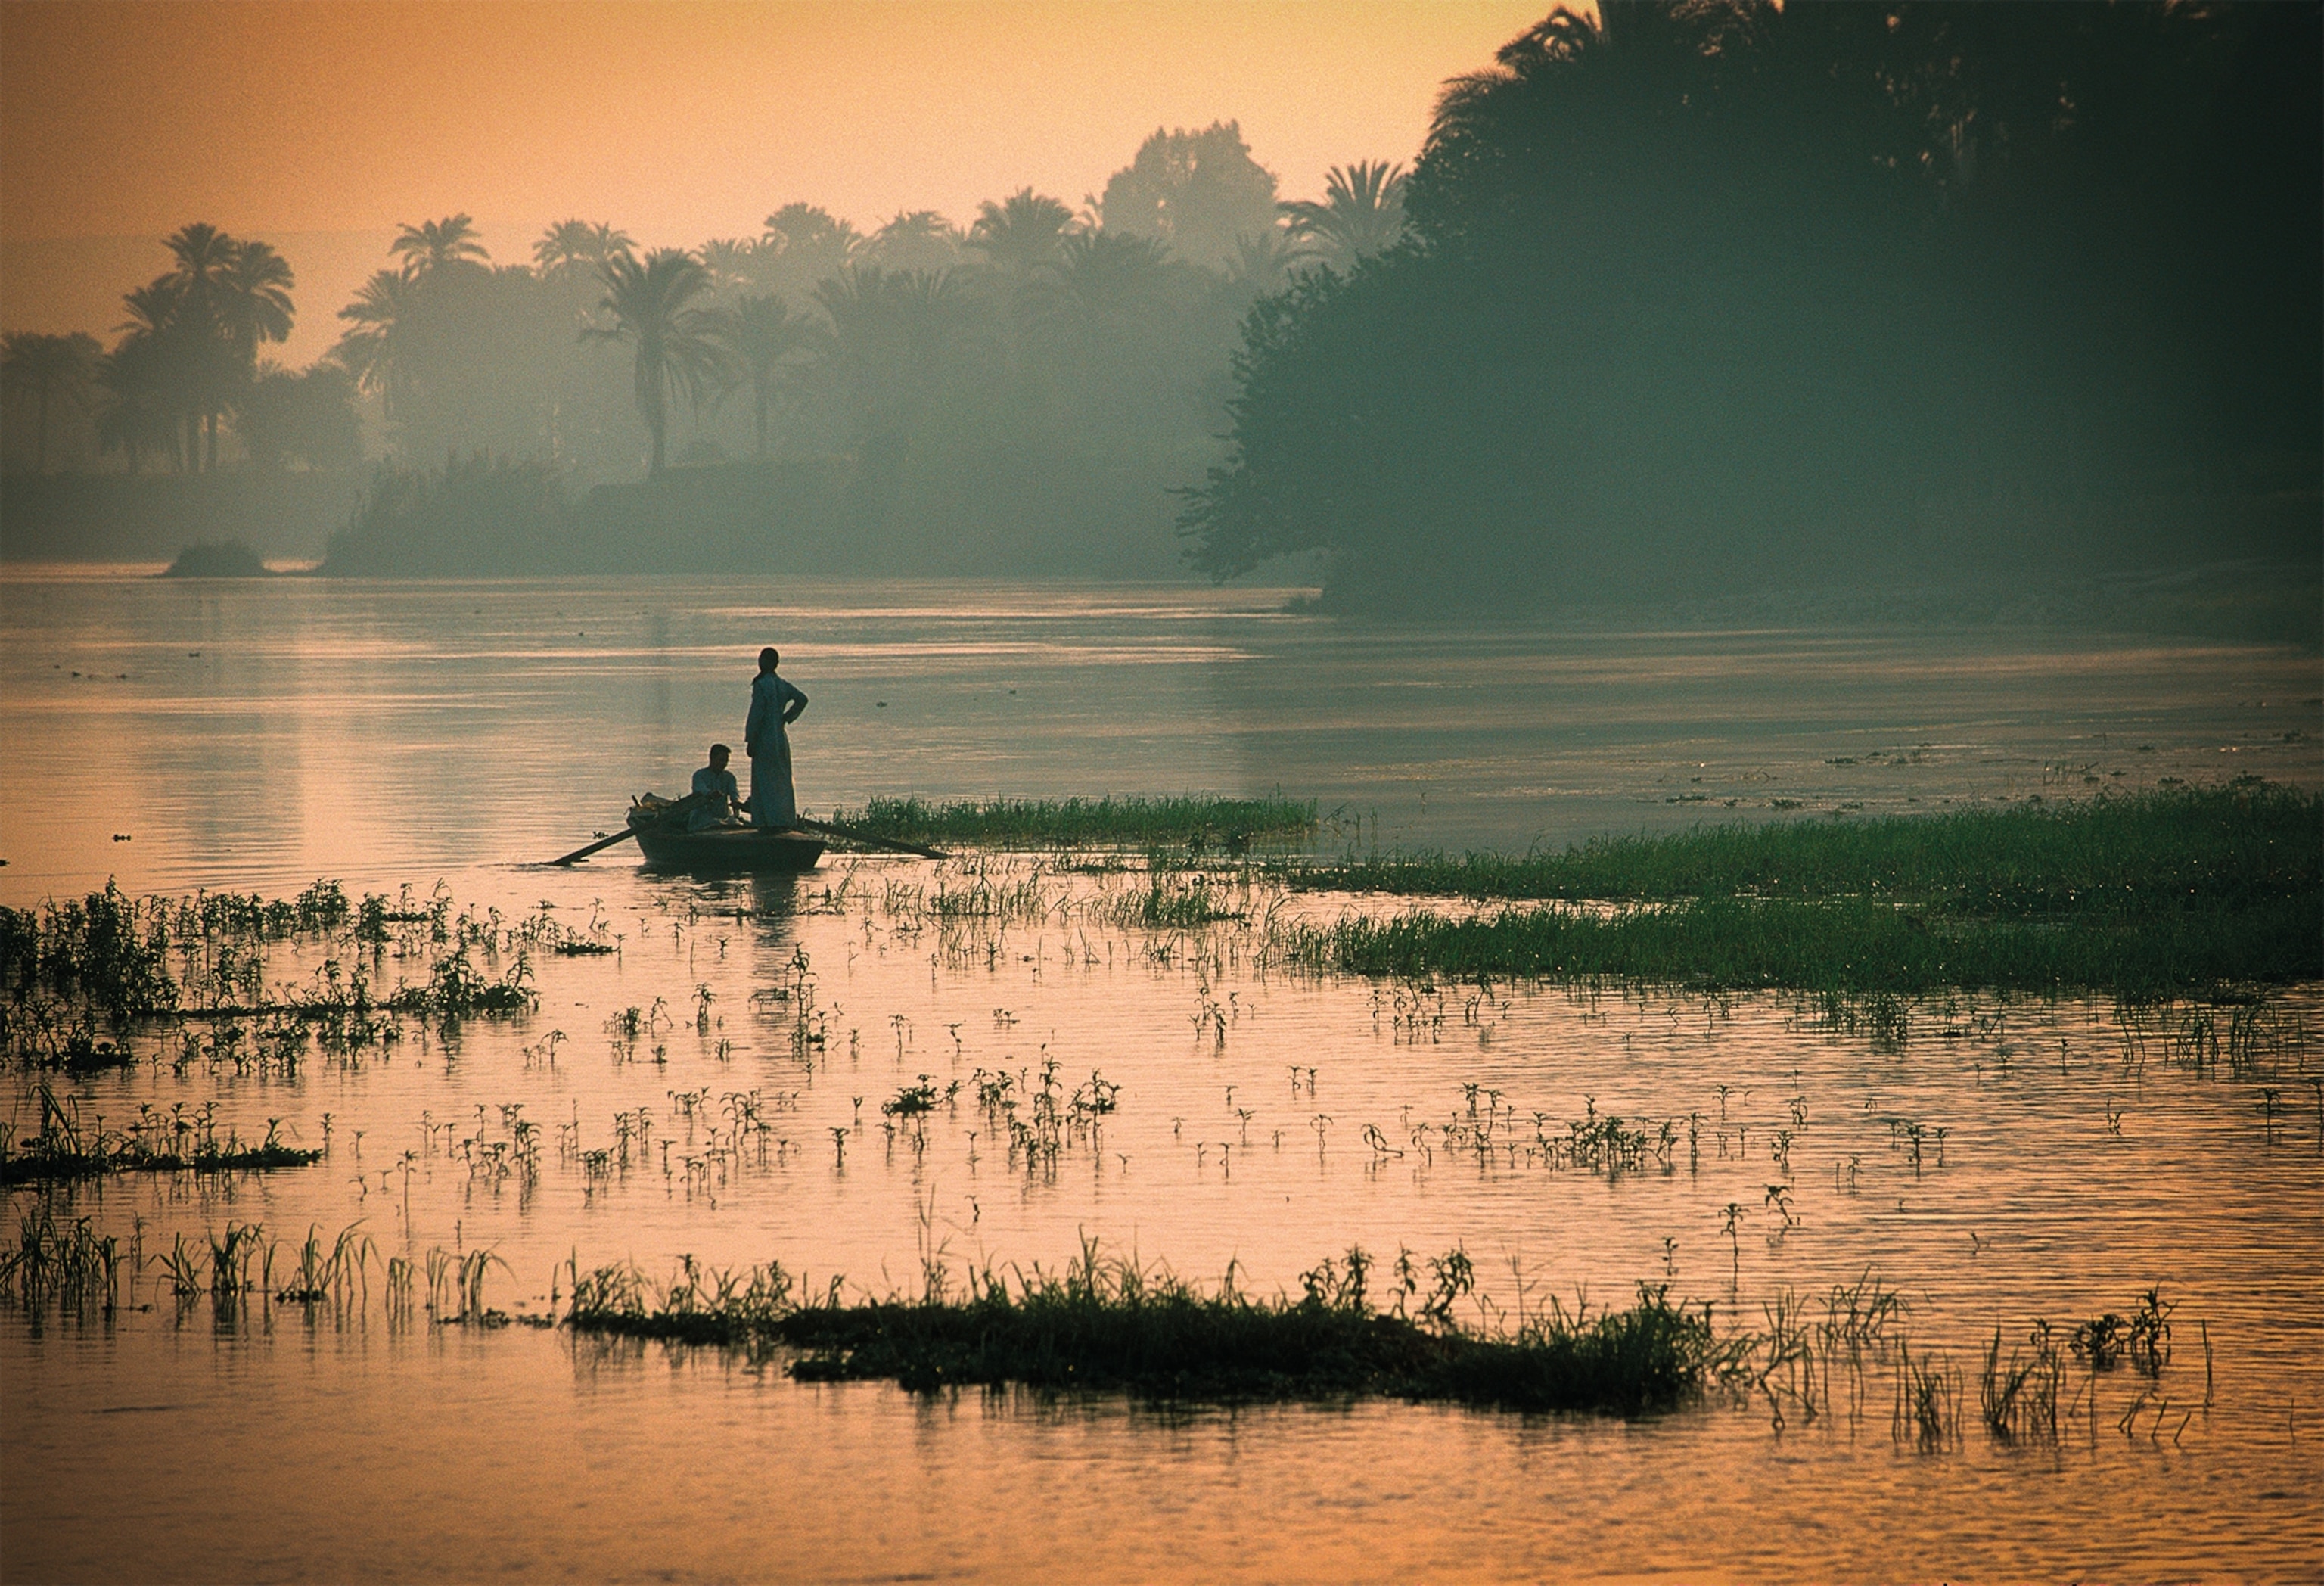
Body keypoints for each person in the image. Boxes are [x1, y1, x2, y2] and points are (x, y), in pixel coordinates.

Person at [744, 646, 808, 829]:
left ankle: (767, 822)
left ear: (771, 663)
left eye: (763, 659)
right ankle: (782, 819)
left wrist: (751, 739)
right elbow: (802, 699)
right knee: (780, 780)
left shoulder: (762, 685)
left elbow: (756, 715)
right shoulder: (782, 685)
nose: (760, 662)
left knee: (764, 780)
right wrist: (786, 718)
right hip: (779, 738)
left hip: (764, 739)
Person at [688, 743, 744, 831]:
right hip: (703, 818)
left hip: (723, 817)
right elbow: (701, 790)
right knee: (715, 823)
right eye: (721, 760)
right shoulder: (699, 775)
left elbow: (734, 794)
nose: (724, 764)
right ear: (712, 758)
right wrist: (711, 793)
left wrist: (736, 803)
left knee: (735, 823)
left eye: (726, 761)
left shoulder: (729, 777)